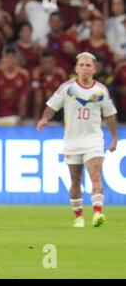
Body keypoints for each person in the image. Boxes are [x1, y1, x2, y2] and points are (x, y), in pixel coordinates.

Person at [37, 52, 118, 228]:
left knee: (95, 175)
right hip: (72, 141)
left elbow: (110, 115)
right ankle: (79, 216)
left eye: (88, 65)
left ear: (94, 69)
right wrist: (44, 119)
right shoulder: (67, 88)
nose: (85, 68)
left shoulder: (101, 91)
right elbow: (52, 105)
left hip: (94, 140)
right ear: (76, 68)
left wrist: (114, 138)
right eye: (81, 65)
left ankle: (97, 213)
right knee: (75, 180)